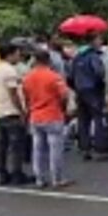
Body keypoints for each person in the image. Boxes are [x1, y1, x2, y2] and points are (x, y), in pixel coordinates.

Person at [23, 49, 73, 188]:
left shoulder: (28, 77)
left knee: (38, 149)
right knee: (55, 148)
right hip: (52, 114)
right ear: (48, 60)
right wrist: (63, 109)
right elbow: (64, 96)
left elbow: (26, 96)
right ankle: (57, 178)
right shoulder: (55, 77)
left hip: (35, 115)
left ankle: (40, 178)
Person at [0, 42, 35, 186]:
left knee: (2, 145)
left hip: (0, 110)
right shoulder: (9, 71)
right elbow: (13, 93)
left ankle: (2, 172)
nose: (19, 56)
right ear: (10, 54)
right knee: (16, 145)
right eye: (17, 53)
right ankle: (17, 173)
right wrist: (22, 111)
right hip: (12, 111)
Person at [69, 32, 107, 160]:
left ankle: (85, 147)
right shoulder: (93, 56)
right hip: (93, 90)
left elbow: (70, 75)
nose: (101, 42)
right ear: (93, 41)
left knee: (83, 120)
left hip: (80, 90)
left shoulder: (77, 56)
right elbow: (99, 72)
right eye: (99, 39)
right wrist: (101, 83)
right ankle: (99, 147)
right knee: (98, 118)